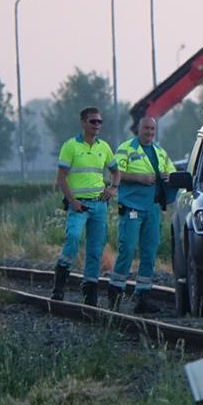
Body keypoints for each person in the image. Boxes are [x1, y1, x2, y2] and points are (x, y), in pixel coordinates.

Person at [107, 116, 176, 313]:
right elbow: (115, 172)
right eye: (146, 129)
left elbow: (171, 172)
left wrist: (169, 177)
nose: (149, 133)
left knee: (149, 251)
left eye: (152, 130)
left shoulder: (160, 152)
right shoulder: (126, 148)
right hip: (132, 208)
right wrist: (139, 178)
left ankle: (143, 296)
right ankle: (115, 293)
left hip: (153, 208)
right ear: (138, 129)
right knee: (127, 248)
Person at [52, 106, 118, 306]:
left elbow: (116, 171)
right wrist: (73, 201)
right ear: (83, 123)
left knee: (95, 249)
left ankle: (90, 291)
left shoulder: (104, 147)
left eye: (99, 121)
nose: (97, 125)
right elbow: (61, 178)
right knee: (72, 238)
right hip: (78, 205)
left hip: (99, 205)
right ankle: (60, 281)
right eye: (93, 121)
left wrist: (113, 188)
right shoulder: (70, 146)